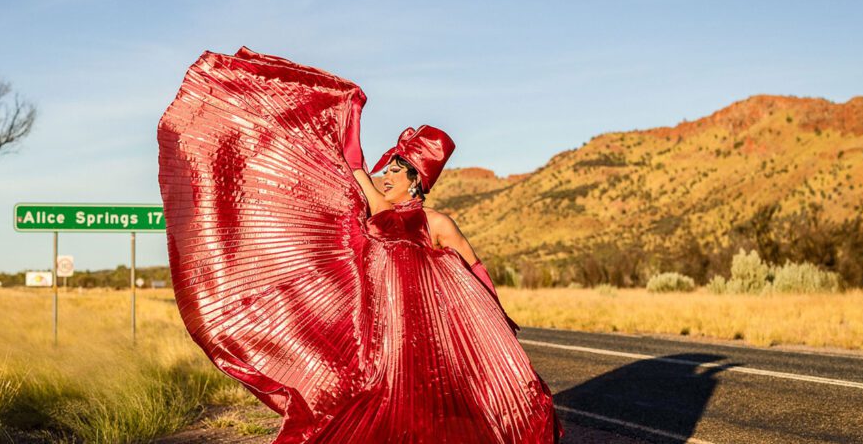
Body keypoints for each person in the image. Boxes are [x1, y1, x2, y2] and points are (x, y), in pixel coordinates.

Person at [157, 47, 563, 443]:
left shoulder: (433, 221)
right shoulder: (370, 212)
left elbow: (475, 270)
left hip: (433, 335)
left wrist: (498, 324)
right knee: (382, 399)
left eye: (396, 170)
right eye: (387, 167)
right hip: (381, 329)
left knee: (440, 401)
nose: (386, 174)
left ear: (416, 182)